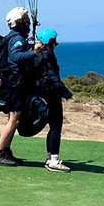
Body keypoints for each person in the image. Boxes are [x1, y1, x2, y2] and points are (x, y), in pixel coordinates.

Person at [0, 6, 42, 167]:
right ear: (19, 22)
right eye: (25, 20)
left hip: (13, 83)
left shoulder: (15, 36)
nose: (27, 22)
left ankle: (5, 151)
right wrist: (34, 51)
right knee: (14, 119)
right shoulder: (16, 38)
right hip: (14, 84)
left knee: (14, 119)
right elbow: (16, 56)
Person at [35, 28, 73, 173]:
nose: (57, 43)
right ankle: (54, 161)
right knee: (56, 126)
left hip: (43, 94)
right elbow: (53, 77)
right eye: (55, 41)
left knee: (52, 127)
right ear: (50, 42)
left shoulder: (39, 55)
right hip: (51, 94)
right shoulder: (47, 56)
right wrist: (66, 93)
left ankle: (50, 157)